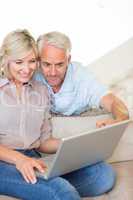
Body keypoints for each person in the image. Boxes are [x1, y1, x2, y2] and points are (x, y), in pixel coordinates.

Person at [34, 31, 129, 197]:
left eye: (60, 64)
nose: (53, 72)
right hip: (40, 152)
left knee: (105, 176)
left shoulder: (79, 75)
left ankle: (54, 185)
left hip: (71, 158)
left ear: (68, 60)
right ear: (38, 61)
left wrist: (120, 118)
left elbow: (112, 101)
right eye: (47, 64)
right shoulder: (30, 75)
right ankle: (54, 187)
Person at [0, 29, 81, 200]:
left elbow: (44, 143)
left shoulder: (41, 90)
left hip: (32, 156)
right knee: (62, 192)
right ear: (6, 60)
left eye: (32, 61)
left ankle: (48, 186)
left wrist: (74, 144)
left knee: (101, 176)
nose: (26, 69)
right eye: (19, 62)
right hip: (3, 162)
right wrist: (19, 160)